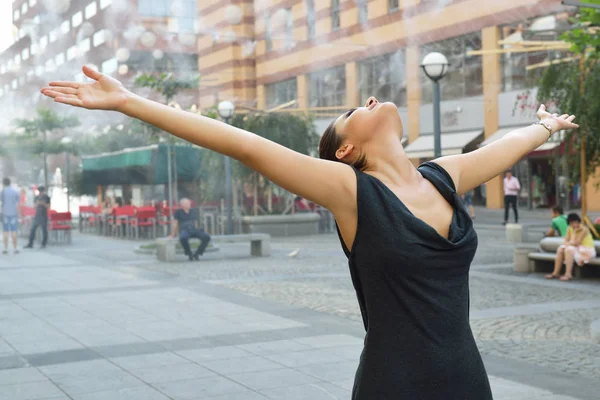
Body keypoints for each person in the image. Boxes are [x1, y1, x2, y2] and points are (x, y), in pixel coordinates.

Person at [40, 65, 579, 399]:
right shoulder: (349, 189)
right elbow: (243, 144)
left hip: (467, 379)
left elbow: (501, 148)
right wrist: (130, 101)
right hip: (396, 384)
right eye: (353, 111)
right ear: (346, 150)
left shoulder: (442, 176)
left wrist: (545, 126)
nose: (368, 99)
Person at [546, 213, 596, 281]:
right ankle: (556, 272)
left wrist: (575, 233)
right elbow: (566, 241)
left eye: (576, 222)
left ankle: (568, 274)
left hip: (586, 250)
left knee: (568, 249)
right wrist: (569, 243)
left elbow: (577, 242)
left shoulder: (584, 229)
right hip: (577, 249)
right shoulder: (569, 228)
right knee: (560, 249)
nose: (574, 225)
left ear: (579, 222)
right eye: (571, 223)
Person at [1, 178, 21, 254]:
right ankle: (15, 248)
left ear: (4, 183)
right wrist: (19, 213)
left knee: (5, 231)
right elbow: (18, 204)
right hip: (14, 214)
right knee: (14, 231)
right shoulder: (15, 192)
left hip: (5, 214)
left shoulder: (3, 192)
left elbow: (1, 201)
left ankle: (5, 249)